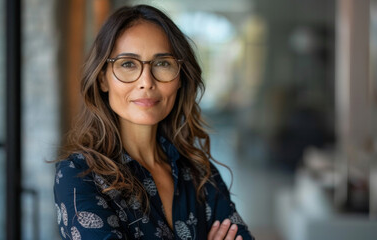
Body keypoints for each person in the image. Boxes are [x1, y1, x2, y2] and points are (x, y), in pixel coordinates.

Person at [53, 4, 255, 240]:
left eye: (162, 63)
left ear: (180, 78)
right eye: (128, 64)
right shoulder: (80, 175)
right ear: (102, 80)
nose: (146, 82)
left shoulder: (200, 173)